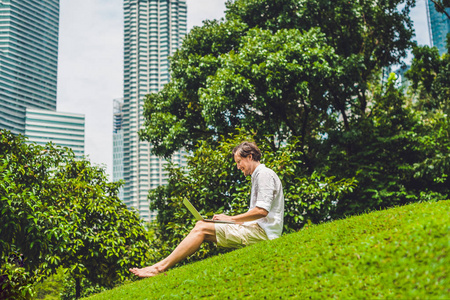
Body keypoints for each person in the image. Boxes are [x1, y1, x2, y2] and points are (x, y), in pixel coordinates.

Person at [129, 141, 284, 277]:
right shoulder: (258, 176)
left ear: (250, 156)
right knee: (202, 225)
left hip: (263, 234)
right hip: (255, 229)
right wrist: (231, 222)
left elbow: (261, 211)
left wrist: (230, 219)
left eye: (239, 161)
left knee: (202, 228)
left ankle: (158, 268)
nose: (238, 167)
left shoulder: (264, 174)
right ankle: (158, 266)